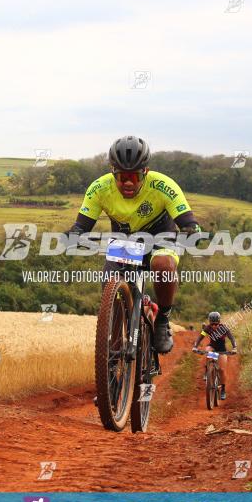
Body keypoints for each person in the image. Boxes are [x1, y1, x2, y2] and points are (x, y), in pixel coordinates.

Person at [67, 135, 201, 354]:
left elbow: (187, 220)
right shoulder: (99, 188)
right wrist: (74, 235)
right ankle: (115, 338)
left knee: (164, 266)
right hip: (126, 242)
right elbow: (82, 225)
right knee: (111, 284)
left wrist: (191, 229)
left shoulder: (163, 185)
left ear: (145, 172)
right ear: (113, 172)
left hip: (161, 238)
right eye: (121, 176)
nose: (128, 183)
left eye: (134, 176)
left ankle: (162, 321)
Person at [193, 311, 238, 400]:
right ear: (210, 323)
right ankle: (208, 371)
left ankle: (223, 389)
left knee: (221, 370)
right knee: (208, 351)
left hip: (222, 350)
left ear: (219, 322)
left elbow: (232, 338)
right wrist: (195, 346)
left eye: (216, 324)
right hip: (212, 347)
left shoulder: (224, 328)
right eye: (212, 324)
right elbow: (200, 338)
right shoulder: (207, 328)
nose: (214, 326)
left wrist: (234, 348)